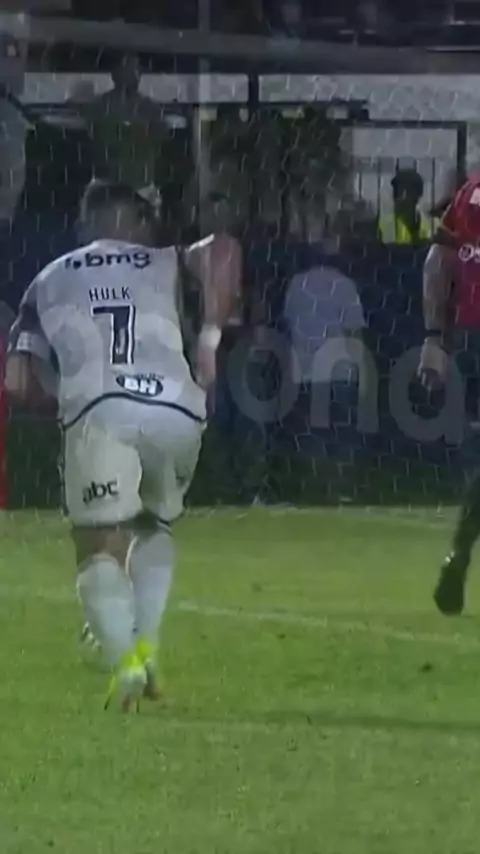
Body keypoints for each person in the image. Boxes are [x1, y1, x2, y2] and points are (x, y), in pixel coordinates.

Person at [5, 180, 241, 711]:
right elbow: (225, 250)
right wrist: (209, 340)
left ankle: (126, 660)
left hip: (101, 410)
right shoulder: (165, 260)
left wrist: (61, 400)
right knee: (153, 525)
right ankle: (148, 644)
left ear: (84, 223)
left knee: (96, 549)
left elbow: (16, 381)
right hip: (177, 411)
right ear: (137, 222)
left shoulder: (48, 278)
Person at [419, 173, 480, 616]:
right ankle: (459, 552)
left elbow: (437, 261)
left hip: (471, 336)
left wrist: (433, 337)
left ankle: (459, 552)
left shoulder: (471, 191)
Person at [84, 54, 166, 210]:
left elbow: (160, 142)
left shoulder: (151, 109)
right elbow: (94, 140)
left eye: (137, 70)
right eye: (129, 68)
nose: (135, 74)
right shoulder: (99, 107)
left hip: (142, 188)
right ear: (115, 74)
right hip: (106, 186)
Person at [378, 168, 434, 244]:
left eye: (399, 192)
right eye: (395, 192)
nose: (395, 198)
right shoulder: (383, 225)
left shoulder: (432, 227)